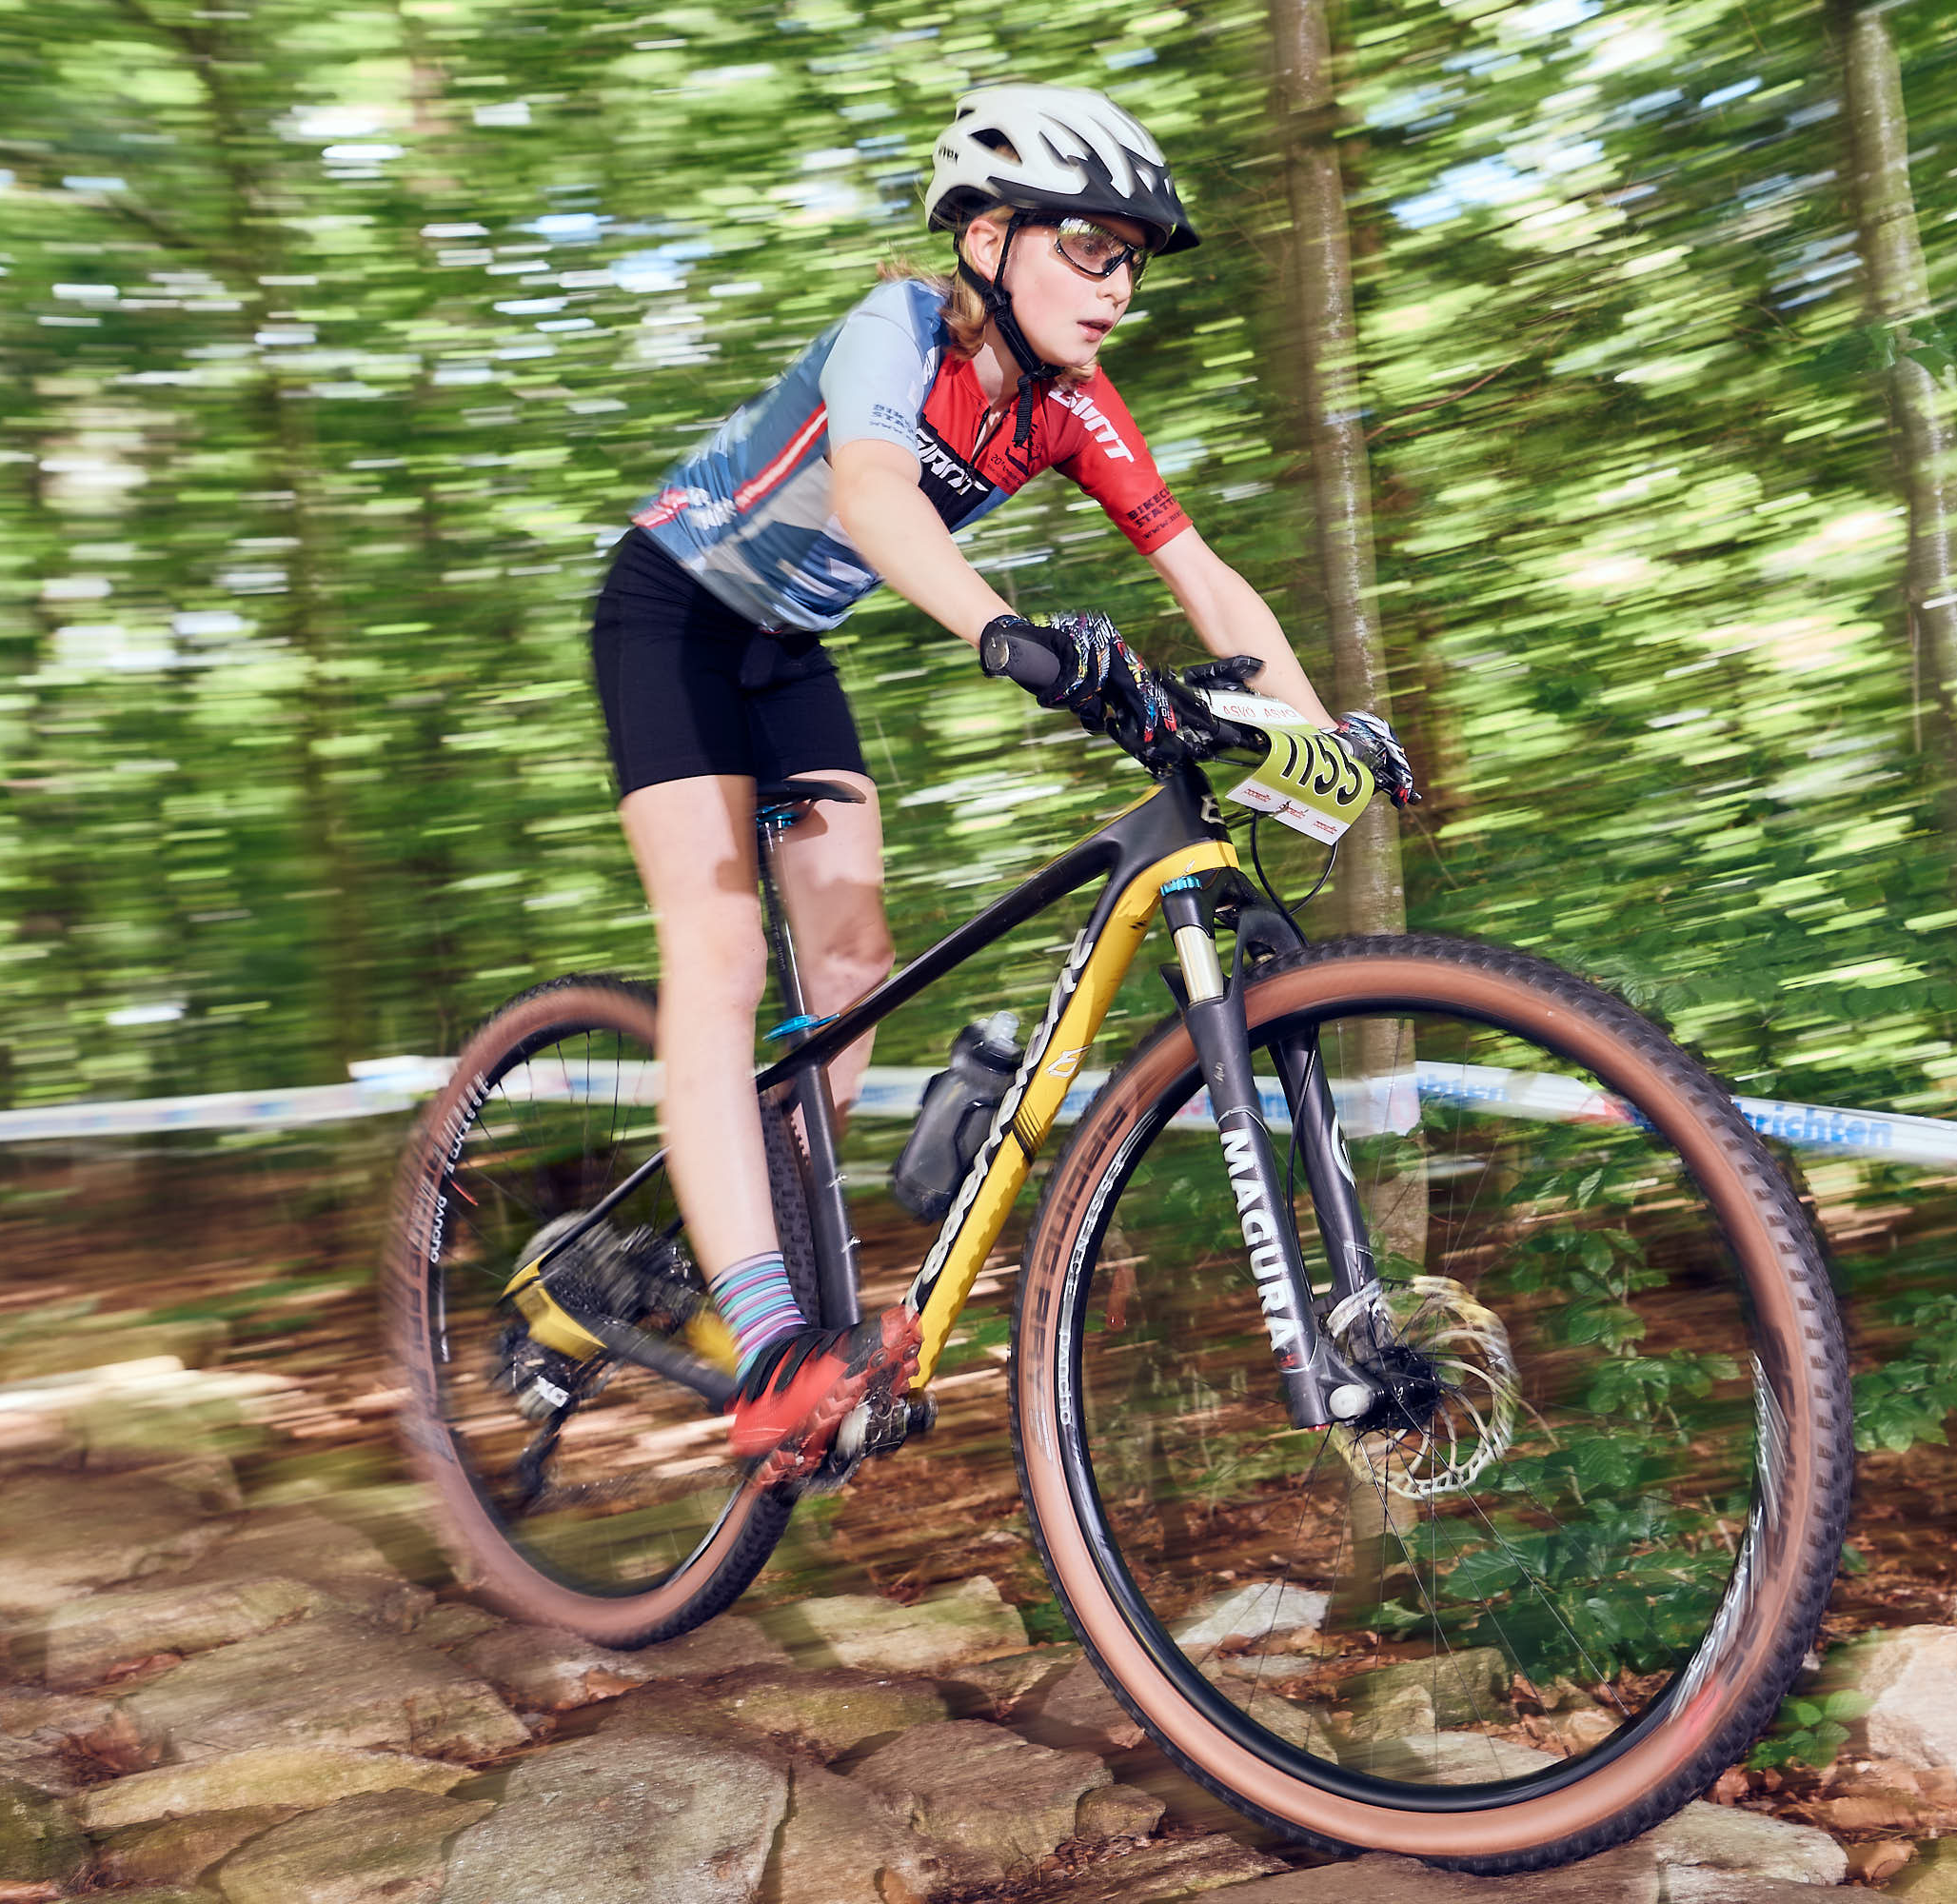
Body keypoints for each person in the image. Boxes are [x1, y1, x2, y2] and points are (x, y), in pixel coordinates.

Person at [589, 83, 1420, 1464]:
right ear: (988, 239)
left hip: (785, 650)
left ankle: (727, 1247)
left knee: (852, 966)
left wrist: (1323, 736)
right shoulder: (897, 331)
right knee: (722, 951)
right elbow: (874, 496)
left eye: (1130, 262)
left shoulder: (1073, 406)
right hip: (671, 615)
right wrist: (1002, 631)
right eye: (1089, 248)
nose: (1116, 288)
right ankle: (770, 1348)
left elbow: (1203, 575)